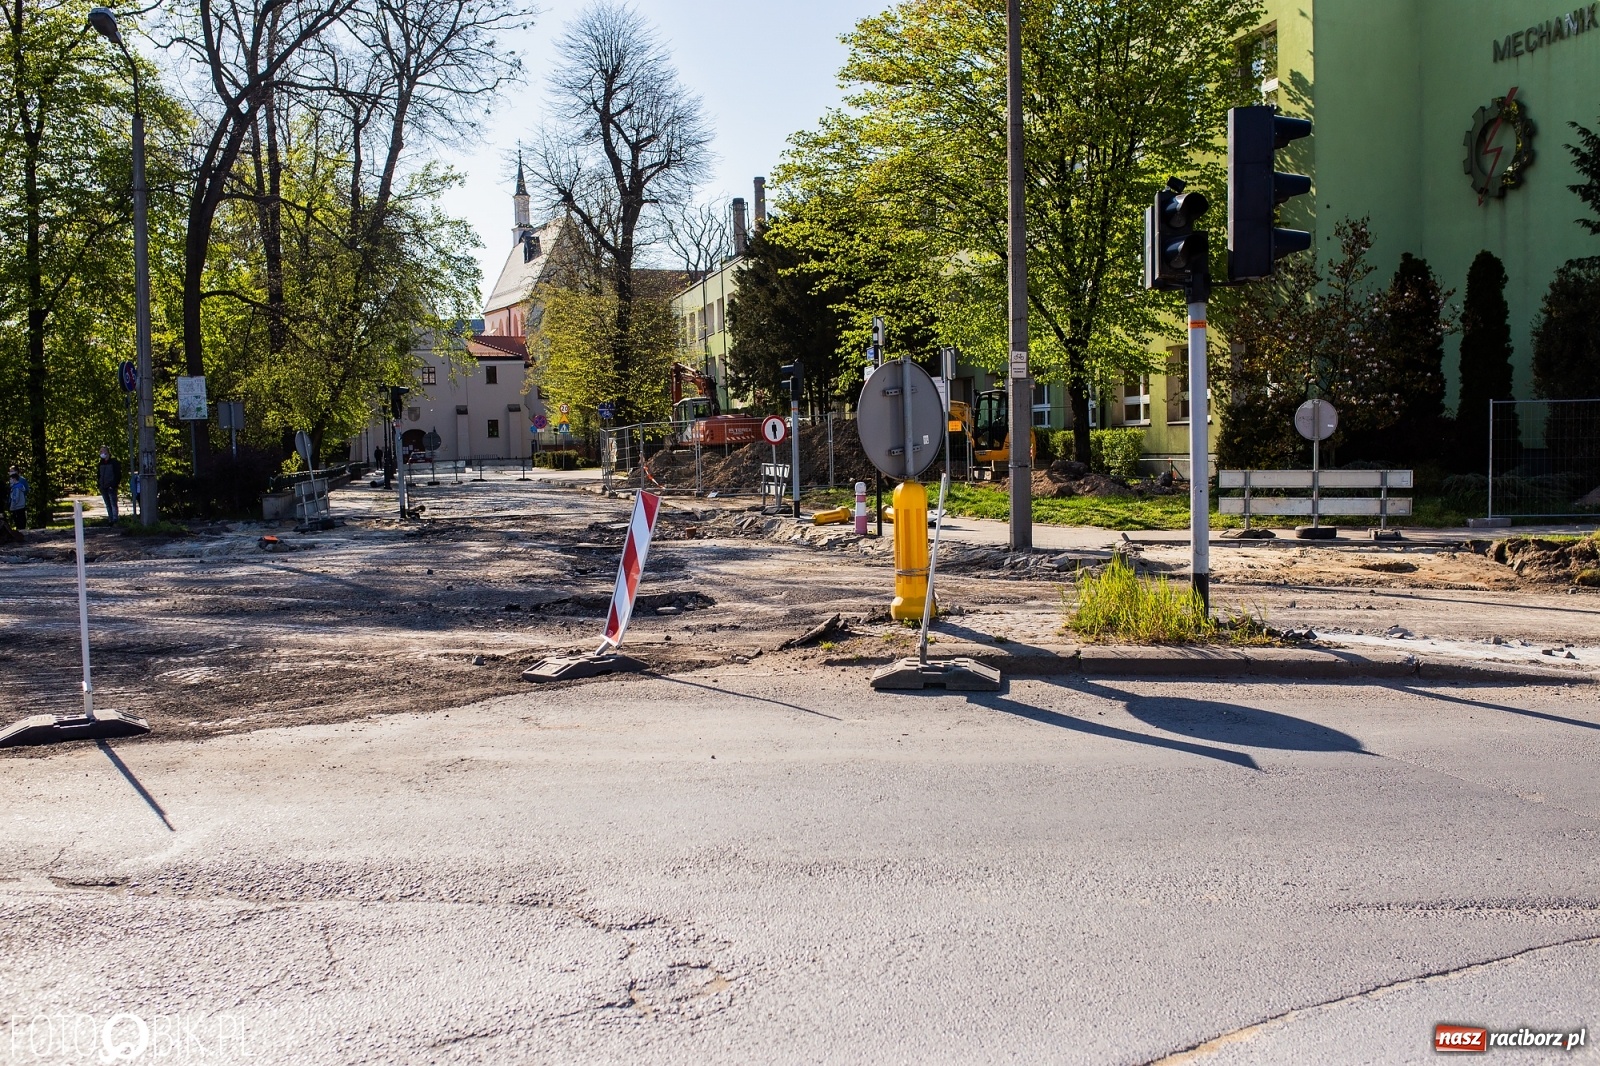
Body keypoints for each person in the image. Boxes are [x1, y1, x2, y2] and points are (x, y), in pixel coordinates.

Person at [97, 447, 122, 522]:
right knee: (108, 504)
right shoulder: (100, 463)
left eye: (102, 451)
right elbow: (99, 475)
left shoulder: (114, 462)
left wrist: (114, 484)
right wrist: (99, 484)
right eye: (100, 451)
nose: (101, 453)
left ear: (107, 452)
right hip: (103, 486)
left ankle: (115, 519)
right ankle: (110, 519)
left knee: (113, 504)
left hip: (111, 487)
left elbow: (118, 475)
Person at [7, 467, 26, 531]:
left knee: (18, 521)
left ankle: (20, 532)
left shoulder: (16, 488)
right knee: (21, 520)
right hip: (21, 505)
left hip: (17, 507)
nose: (10, 481)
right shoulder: (20, 486)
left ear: (14, 479)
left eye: (11, 479)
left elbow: (15, 498)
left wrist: (12, 507)